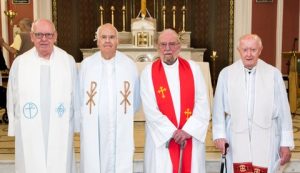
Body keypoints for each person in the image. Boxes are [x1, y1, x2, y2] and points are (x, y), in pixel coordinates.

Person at [212, 34, 294, 173]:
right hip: (235, 135)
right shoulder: (226, 74)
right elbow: (218, 108)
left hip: (267, 134)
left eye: (253, 50)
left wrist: (285, 143)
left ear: (260, 50)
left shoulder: (273, 74)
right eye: (245, 50)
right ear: (239, 50)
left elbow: (284, 111)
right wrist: (220, 135)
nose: (249, 54)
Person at [7, 19, 78, 173]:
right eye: (39, 35)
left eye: (48, 35)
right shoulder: (20, 63)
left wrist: (77, 123)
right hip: (28, 127)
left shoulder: (67, 61)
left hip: (60, 125)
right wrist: (12, 125)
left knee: (60, 162)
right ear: (32, 36)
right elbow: (11, 96)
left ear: (55, 36)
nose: (44, 39)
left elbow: (76, 94)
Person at [140, 28, 210, 173]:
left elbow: (202, 103)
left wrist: (187, 131)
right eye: (163, 44)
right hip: (162, 140)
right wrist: (172, 132)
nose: (167, 49)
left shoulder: (193, 69)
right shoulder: (148, 72)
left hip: (189, 137)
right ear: (157, 47)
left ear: (179, 46)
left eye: (171, 44)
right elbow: (150, 109)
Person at [79, 23, 140, 173]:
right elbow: (80, 96)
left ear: (117, 41)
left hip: (120, 126)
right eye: (104, 37)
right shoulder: (87, 65)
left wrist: (122, 116)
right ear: (98, 41)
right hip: (95, 127)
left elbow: (136, 99)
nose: (107, 41)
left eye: (111, 37)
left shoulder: (128, 65)